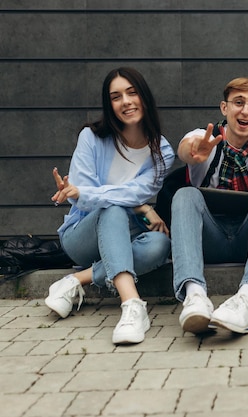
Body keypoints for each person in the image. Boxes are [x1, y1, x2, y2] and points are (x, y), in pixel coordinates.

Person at [45, 67, 175, 344]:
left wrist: (127, 200)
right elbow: (82, 197)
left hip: (123, 237)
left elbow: (139, 190)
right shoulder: (91, 138)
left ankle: (76, 280)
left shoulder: (161, 151)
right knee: (112, 208)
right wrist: (140, 207)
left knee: (160, 244)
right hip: (82, 234)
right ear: (110, 105)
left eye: (132, 92)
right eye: (116, 97)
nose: (125, 101)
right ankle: (132, 306)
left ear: (144, 97)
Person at [171, 77, 248, 335]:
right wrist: (192, 151)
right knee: (185, 195)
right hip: (208, 239)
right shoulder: (207, 138)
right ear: (225, 108)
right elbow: (186, 146)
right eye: (238, 102)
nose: (245, 111)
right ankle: (195, 296)